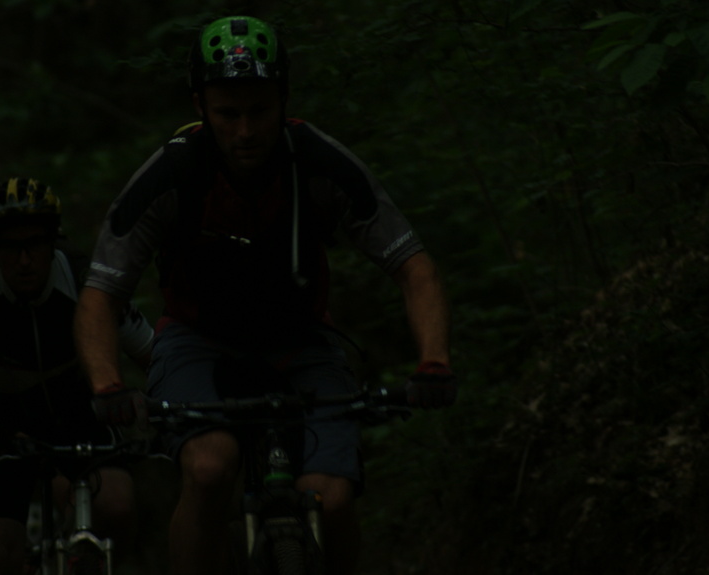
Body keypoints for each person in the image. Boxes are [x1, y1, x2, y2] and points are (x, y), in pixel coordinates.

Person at [74, 15, 457, 575]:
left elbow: (414, 267)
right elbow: (100, 294)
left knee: (333, 497)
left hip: (302, 339)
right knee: (209, 468)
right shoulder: (173, 173)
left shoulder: (318, 162)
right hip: (196, 339)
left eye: (259, 111)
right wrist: (107, 383)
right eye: (227, 114)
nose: (246, 130)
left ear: (284, 99)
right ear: (201, 106)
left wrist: (434, 362)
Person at [0, 177, 155, 575]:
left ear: (54, 241)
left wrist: (166, 407)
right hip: (0, 418)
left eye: (35, 244)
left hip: (79, 408)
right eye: (10, 247)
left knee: (116, 507)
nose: (24, 260)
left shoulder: (86, 283)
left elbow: (154, 356)